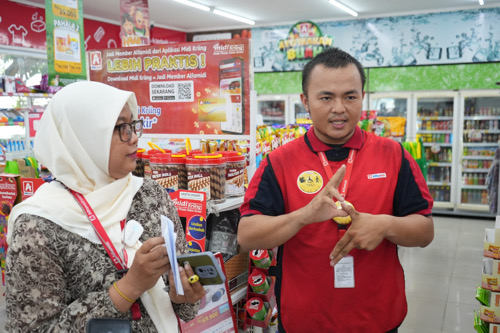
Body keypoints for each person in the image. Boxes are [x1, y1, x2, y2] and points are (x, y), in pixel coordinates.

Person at [237, 47, 434, 332]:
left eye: (350, 96)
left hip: (378, 318)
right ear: (305, 100)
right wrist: (303, 216)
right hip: (305, 320)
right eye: (326, 97)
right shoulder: (279, 162)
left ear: (362, 98)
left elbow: (425, 232)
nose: (339, 108)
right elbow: (246, 235)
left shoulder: (394, 155)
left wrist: (385, 225)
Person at [5, 81, 205, 332]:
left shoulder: (150, 195)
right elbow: (32, 329)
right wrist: (129, 286)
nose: (133, 137)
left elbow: (184, 306)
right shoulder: (38, 225)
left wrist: (184, 294)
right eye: (120, 127)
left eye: (133, 125)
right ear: (82, 137)